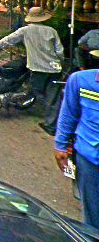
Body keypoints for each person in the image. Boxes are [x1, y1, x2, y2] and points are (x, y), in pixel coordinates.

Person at [0, 6, 64, 134]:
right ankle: (51, 125)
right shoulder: (52, 31)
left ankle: (20, 102)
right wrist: (59, 63)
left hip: (38, 69)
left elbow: (8, 40)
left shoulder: (25, 30)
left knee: (36, 92)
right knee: (53, 97)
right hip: (55, 69)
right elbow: (60, 52)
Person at [54, 69, 99, 229]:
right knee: (93, 218)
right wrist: (60, 145)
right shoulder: (80, 81)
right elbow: (68, 114)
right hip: (89, 162)